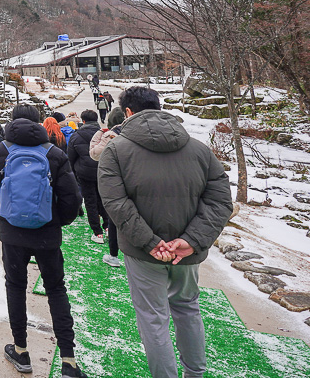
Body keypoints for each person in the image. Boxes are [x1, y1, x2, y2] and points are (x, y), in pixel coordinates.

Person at [98, 86, 233, 378]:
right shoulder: (199, 149)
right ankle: (194, 373)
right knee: (187, 309)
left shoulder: (116, 151)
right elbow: (221, 201)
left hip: (143, 251)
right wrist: (190, 241)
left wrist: (150, 242)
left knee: (152, 317)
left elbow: (115, 203)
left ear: (128, 113)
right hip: (185, 251)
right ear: (158, 107)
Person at [0, 104, 88, 378]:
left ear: (12, 122)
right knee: (56, 290)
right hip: (47, 236)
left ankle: (21, 351)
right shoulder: (54, 153)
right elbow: (72, 199)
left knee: (15, 288)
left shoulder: (0, 151)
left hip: (12, 236)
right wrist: (54, 222)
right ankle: (69, 362)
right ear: (38, 123)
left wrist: (5, 218)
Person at [64, 110, 105, 244]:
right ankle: (108, 226)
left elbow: (71, 157)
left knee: (90, 201)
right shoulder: (105, 135)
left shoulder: (77, 136)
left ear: (84, 121)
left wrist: (75, 173)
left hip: (85, 173)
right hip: (103, 172)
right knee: (104, 199)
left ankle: (97, 232)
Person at [89, 127, 121, 267]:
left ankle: (99, 233)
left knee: (94, 201)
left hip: (108, 179)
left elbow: (94, 153)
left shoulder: (110, 136)